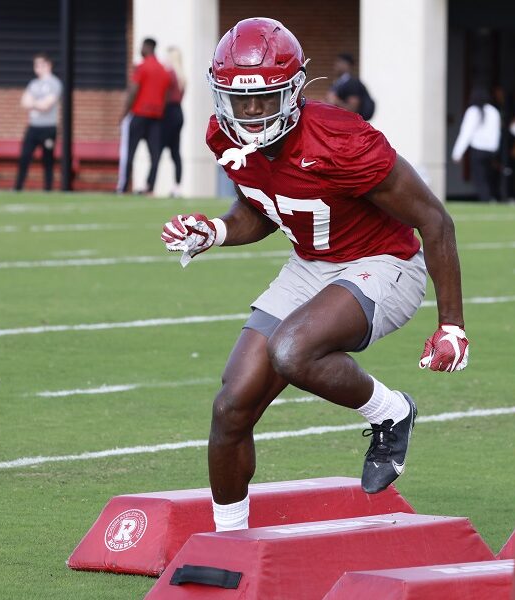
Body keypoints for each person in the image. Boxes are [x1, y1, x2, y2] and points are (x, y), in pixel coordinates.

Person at [159, 17, 469, 532]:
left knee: (290, 349)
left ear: (296, 90)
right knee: (231, 407)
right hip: (310, 264)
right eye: (240, 99)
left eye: (266, 97)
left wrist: (452, 325)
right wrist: (215, 229)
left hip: (383, 262)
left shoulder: (343, 140)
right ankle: (229, 544)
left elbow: (434, 219)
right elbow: (263, 208)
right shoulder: (223, 134)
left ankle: (390, 411)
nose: (253, 110)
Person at [117, 37, 171, 194]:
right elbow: (166, 96)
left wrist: (124, 113)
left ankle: (124, 186)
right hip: (156, 118)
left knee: (130, 152)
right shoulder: (163, 70)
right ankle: (150, 187)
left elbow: (133, 90)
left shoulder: (141, 67)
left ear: (147, 47)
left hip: (139, 114)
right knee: (155, 155)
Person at [14, 53, 62, 191]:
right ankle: (17, 188)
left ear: (48, 65)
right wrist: (37, 103)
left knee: (47, 161)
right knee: (24, 157)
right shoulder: (33, 84)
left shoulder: (54, 83)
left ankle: (48, 189)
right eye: (36, 65)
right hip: (33, 127)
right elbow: (24, 102)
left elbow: (46, 105)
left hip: (48, 128)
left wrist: (33, 103)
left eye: (40, 64)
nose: (37, 68)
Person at [451, 86, 501, 202]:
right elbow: (497, 133)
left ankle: (486, 199)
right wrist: (495, 149)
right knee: (489, 176)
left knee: (480, 177)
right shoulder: (494, 111)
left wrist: (457, 153)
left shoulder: (473, 111)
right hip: (491, 150)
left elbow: (466, 133)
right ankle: (491, 198)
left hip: (478, 149)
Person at [162, 46, 186, 197]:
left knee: (157, 149)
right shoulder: (182, 76)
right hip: (178, 112)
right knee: (175, 152)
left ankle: (149, 185)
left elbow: (164, 95)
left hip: (169, 113)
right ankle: (177, 186)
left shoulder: (170, 74)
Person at [325, 53, 375, 121]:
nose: (335, 65)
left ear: (346, 64)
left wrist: (336, 101)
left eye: (339, 62)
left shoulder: (352, 83)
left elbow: (353, 110)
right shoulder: (338, 83)